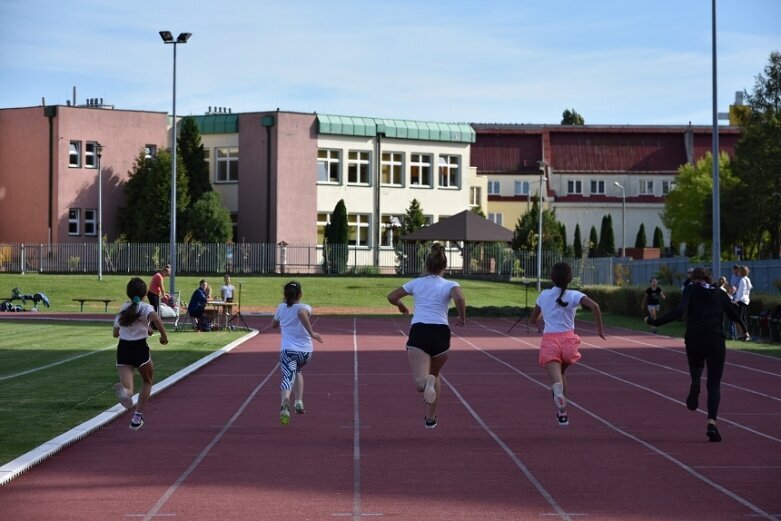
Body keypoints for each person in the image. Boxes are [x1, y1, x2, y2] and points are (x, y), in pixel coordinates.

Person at [646, 267, 748, 442]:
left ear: (693, 279)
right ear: (708, 279)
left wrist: (655, 321)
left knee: (696, 368)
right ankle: (712, 423)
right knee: (714, 385)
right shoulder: (719, 292)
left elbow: (680, 310)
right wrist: (745, 331)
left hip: (694, 338)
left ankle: (695, 383)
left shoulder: (691, 289)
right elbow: (734, 314)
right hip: (716, 339)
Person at [387, 242, 466, 429]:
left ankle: (427, 382)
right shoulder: (449, 284)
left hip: (420, 331)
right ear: (444, 267)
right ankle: (430, 418)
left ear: (426, 265)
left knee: (421, 383)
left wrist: (400, 305)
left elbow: (391, 296)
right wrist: (462, 317)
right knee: (435, 374)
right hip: (441, 333)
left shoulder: (416, 283)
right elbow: (460, 297)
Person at [529, 262, 605, 427]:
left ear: (551, 277)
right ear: (570, 278)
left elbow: (533, 319)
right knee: (562, 374)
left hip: (551, 341)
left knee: (557, 379)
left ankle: (558, 394)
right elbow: (595, 306)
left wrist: (542, 318)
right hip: (569, 342)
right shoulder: (574, 295)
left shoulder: (543, 295)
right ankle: (562, 414)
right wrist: (599, 330)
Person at [112, 277, 168, 431]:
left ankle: (125, 393)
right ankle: (137, 417)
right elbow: (156, 318)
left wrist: (146, 329)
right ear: (145, 294)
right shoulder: (145, 307)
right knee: (147, 381)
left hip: (123, 349)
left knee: (128, 388)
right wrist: (164, 336)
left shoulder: (124, 308)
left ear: (128, 293)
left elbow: (116, 333)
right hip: (139, 349)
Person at [272, 281, 323, 425]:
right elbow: (301, 312)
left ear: (285, 295)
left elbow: (273, 325)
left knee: (288, 376)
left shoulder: (282, 308)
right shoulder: (305, 306)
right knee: (297, 371)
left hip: (288, 351)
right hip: (305, 353)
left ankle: (285, 402)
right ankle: (299, 402)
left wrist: (312, 333)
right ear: (300, 294)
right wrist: (311, 334)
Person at [732, 265, 753, 340]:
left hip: (741, 300)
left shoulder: (742, 280)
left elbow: (742, 292)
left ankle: (746, 334)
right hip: (746, 300)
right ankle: (743, 334)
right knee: (743, 318)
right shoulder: (747, 279)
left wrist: (736, 300)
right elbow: (748, 290)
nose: (739, 272)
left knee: (739, 318)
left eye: (740, 271)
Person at [147, 265, 170, 330]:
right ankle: (153, 325)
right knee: (154, 310)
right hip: (152, 294)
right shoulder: (159, 276)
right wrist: (164, 295)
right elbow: (161, 286)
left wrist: (164, 293)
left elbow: (159, 287)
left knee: (155, 309)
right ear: (164, 271)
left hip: (154, 294)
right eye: (167, 274)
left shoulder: (159, 276)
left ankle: (153, 324)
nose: (166, 276)